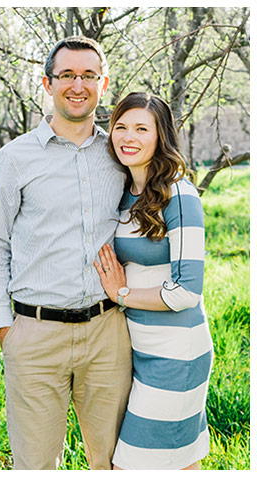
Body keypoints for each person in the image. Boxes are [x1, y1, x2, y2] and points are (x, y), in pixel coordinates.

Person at [0, 35, 132, 469]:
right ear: (48, 83)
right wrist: (4, 327)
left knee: (113, 462)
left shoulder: (118, 154)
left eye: (88, 76)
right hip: (35, 334)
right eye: (67, 75)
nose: (77, 85)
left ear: (103, 83)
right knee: (36, 464)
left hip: (108, 333)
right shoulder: (16, 158)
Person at [94, 92, 212, 470]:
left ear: (161, 136)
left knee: (131, 466)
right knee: (179, 462)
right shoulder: (125, 193)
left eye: (142, 128)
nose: (128, 137)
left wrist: (121, 293)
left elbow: (187, 292)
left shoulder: (178, 193)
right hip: (138, 351)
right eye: (121, 127)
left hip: (176, 353)